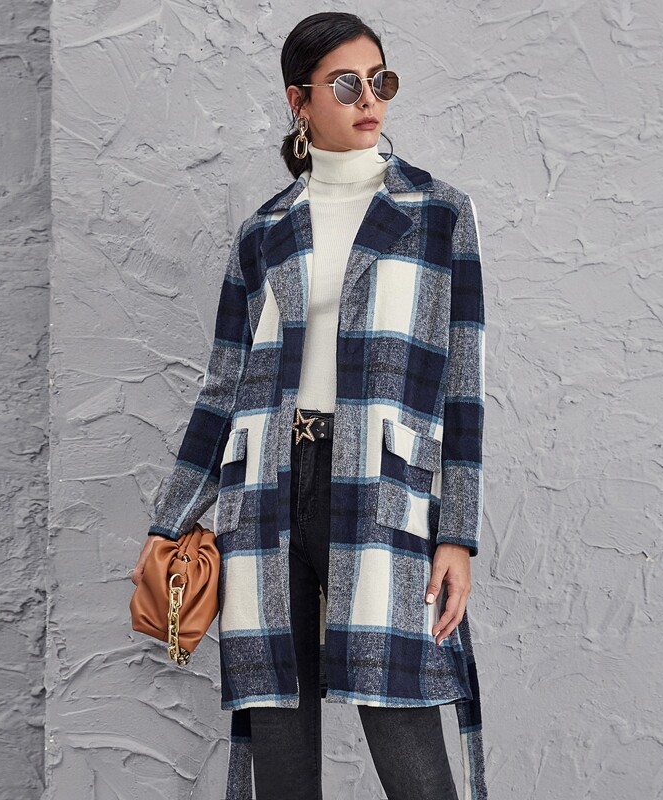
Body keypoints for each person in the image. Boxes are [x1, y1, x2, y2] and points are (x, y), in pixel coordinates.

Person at [132, 11, 487, 800]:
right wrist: (170, 520)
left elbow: (462, 386)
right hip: (266, 490)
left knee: (405, 728)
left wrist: (457, 534)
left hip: (383, 486)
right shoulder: (265, 231)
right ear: (300, 100)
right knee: (281, 749)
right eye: (347, 84)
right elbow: (223, 388)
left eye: (381, 81)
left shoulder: (437, 214)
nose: (371, 99)